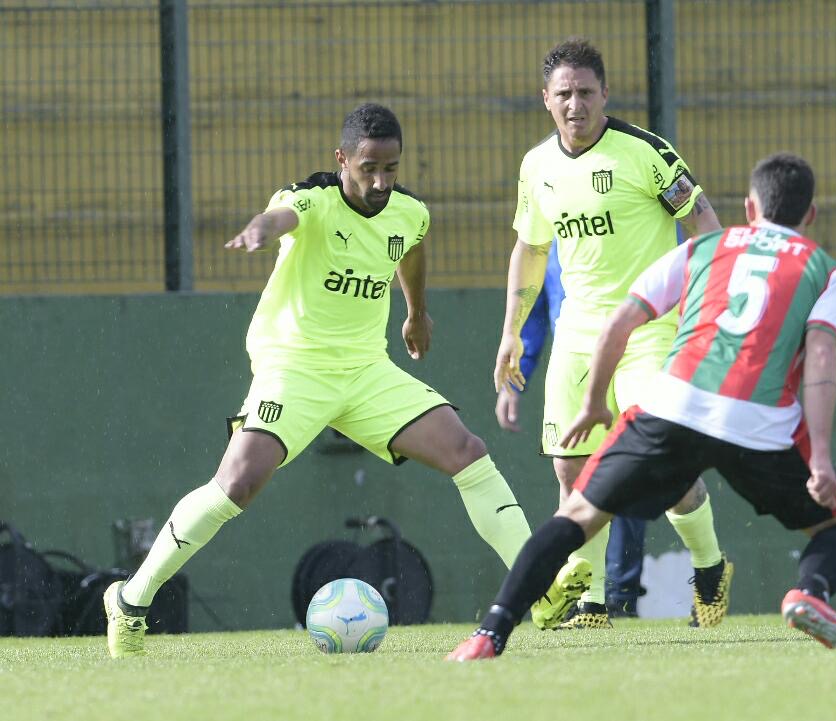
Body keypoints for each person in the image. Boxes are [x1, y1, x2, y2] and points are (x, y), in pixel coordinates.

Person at [103, 103, 533, 658]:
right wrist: (261, 227)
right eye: (368, 168)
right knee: (236, 484)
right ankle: (131, 601)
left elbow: (412, 248)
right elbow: (285, 216)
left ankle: (537, 588)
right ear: (342, 159)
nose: (379, 181)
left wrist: (416, 311)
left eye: (391, 169)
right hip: (293, 366)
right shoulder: (312, 199)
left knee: (466, 450)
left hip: (365, 370)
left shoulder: (410, 213)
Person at [447, 152, 836, 660]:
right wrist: (821, 456)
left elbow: (621, 321)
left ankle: (490, 633)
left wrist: (593, 403)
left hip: (674, 406)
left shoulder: (703, 250)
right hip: (758, 423)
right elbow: (823, 358)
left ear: (749, 206)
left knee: (577, 512)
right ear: (811, 216)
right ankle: (809, 593)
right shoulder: (827, 272)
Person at [494, 37, 731, 631]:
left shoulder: (646, 154)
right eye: (564, 95)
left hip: (649, 329)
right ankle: (591, 600)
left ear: (606, 94)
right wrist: (511, 334)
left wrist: (706, 296)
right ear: (545, 99)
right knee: (570, 470)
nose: (576, 105)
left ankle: (709, 568)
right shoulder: (536, 166)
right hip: (578, 332)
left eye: (586, 93)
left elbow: (703, 220)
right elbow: (528, 249)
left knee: (663, 462)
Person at [495, 242, 647, 619]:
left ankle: (627, 588)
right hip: (576, 359)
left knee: (631, 468)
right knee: (575, 470)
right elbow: (535, 315)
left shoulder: (636, 212)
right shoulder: (552, 235)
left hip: (637, 352)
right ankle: (588, 598)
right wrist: (516, 380)